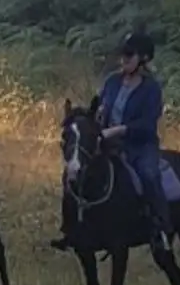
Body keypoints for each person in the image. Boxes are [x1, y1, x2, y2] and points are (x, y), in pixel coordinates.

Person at [52, 31, 168, 250]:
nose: (123, 60)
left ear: (143, 59)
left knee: (149, 174)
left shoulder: (151, 89)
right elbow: (100, 108)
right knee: (73, 173)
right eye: (122, 55)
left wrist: (119, 130)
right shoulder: (112, 81)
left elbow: (147, 125)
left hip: (139, 146)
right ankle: (70, 229)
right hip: (107, 141)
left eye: (129, 56)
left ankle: (159, 226)